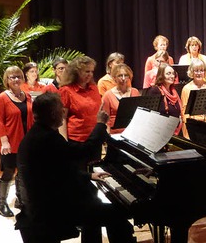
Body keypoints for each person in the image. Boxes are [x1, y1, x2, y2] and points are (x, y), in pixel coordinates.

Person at [15, 92, 135, 243]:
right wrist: (100, 124)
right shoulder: (47, 138)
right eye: (61, 109)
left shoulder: (37, 133)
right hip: (49, 210)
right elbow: (86, 150)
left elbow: (58, 171)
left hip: (41, 204)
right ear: (53, 114)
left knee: (94, 204)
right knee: (116, 213)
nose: (64, 112)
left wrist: (88, 176)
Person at [0, 66, 34, 217]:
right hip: (9, 142)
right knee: (9, 171)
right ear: (7, 80)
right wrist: (4, 142)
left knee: (23, 171)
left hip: (26, 142)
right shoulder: (2, 98)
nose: (16, 79)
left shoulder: (28, 96)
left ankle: (21, 199)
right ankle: (2, 203)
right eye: (12, 77)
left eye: (18, 76)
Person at [59, 56, 102, 166]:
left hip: (94, 138)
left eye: (92, 71)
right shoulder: (66, 90)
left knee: (95, 172)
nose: (90, 74)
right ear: (76, 72)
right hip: (77, 141)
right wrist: (64, 142)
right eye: (87, 71)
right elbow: (62, 118)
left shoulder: (94, 87)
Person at [101, 63, 140, 134]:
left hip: (133, 132)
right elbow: (105, 120)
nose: (123, 78)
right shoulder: (108, 95)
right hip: (115, 133)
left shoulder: (135, 92)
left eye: (126, 75)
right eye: (120, 75)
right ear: (114, 77)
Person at [147, 63, 183, 135]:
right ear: (161, 76)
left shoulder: (174, 91)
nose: (172, 76)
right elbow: (151, 115)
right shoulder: (154, 91)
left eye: (173, 74)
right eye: (168, 73)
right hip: (160, 132)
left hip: (176, 131)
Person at [180, 59, 206, 123]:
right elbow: (184, 111)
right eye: (196, 71)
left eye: (201, 70)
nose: (199, 73)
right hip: (193, 124)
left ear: (205, 72)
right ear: (191, 72)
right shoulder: (186, 89)